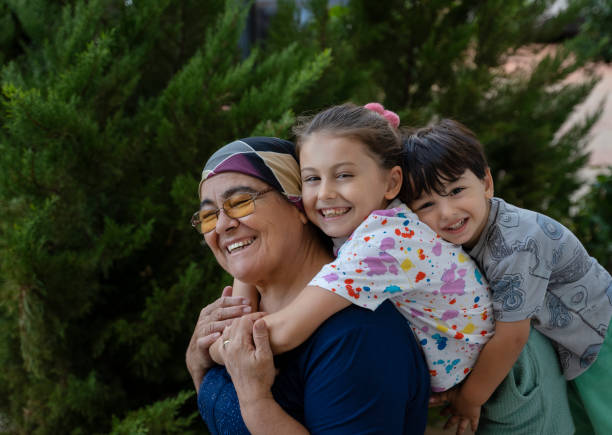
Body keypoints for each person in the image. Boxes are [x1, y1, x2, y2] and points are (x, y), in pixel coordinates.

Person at [209, 103, 495, 395]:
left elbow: (284, 332)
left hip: (488, 371)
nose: (325, 193)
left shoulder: (384, 245)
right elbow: (252, 274)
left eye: (344, 175)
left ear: (391, 182)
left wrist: (218, 348)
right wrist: (241, 305)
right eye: (312, 179)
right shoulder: (358, 221)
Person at [186, 136, 430, 434]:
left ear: (298, 205)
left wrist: (255, 400)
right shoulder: (237, 319)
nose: (222, 225)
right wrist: (198, 365)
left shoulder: (356, 335)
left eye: (239, 202)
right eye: (209, 216)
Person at [404, 119, 612, 434]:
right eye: (427, 204)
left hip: (600, 334)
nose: (446, 212)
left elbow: (512, 336)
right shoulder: (459, 239)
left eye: (457, 190)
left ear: (486, 183)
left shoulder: (516, 245)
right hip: (571, 339)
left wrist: (471, 399)